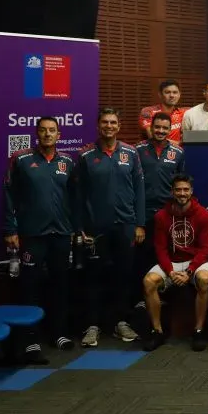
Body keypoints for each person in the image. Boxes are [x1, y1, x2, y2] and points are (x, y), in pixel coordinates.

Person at [2, 116, 78, 360]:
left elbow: (74, 198)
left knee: (61, 285)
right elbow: (8, 196)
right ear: (37, 134)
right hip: (32, 234)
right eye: (43, 130)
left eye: (52, 131)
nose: (48, 134)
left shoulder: (67, 161)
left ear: (59, 135)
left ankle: (58, 333)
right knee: (29, 287)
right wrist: (10, 230)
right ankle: (30, 339)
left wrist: (75, 228)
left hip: (61, 234)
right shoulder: (21, 159)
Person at [76, 108, 145, 348]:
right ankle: (92, 325)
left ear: (119, 126)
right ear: (98, 126)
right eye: (104, 122)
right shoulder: (85, 155)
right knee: (93, 277)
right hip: (95, 229)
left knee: (123, 276)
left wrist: (140, 224)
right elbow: (78, 194)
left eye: (113, 122)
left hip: (126, 226)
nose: (109, 126)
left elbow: (139, 190)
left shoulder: (131, 152)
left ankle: (120, 322)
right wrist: (80, 227)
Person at [141, 174, 208, 352]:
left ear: (191, 192)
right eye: (178, 190)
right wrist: (171, 272)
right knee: (149, 282)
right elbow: (160, 249)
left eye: (185, 190)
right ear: (172, 192)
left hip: (194, 261)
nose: (182, 193)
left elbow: (205, 249)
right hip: (171, 263)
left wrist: (189, 271)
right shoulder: (161, 216)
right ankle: (157, 331)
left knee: (204, 279)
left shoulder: (203, 214)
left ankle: (198, 330)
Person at [135, 113, 185, 290]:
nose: (161, 131)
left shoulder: (178, 152)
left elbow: (181, 183)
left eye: (165, 128)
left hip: (168, 211)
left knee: (166, 252)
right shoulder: (138, 150)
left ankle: (165, 293)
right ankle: (142, 296)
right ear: (151, 127)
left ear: (170, 129)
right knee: (143, 254)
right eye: (157, 127)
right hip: (144, 211)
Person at [139, 79, 186, 143]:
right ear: (160, 94)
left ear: (179, 95)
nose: (172, 95)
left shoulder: (184, 113)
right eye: (167, 92)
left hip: (178, 152)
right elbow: (154, 138)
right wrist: (180, 143)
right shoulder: (148, 111)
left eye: (175, 92)